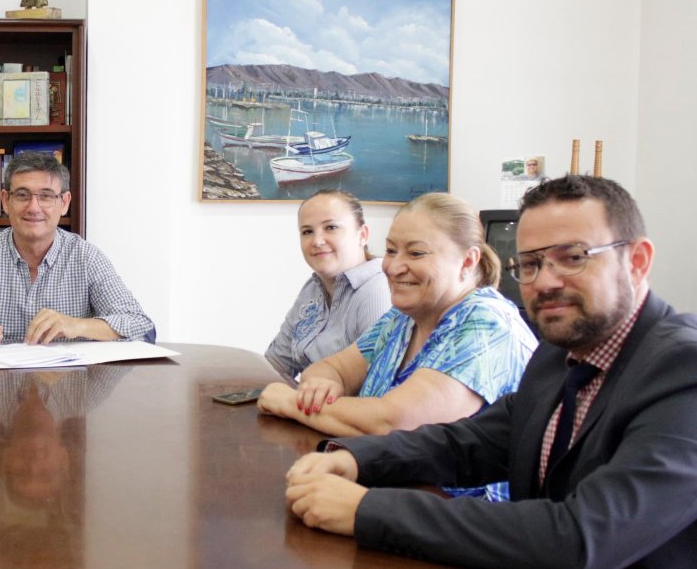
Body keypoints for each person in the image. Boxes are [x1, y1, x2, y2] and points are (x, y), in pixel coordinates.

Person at [284, 175, 697, 567]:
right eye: (532, 264)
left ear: (638, 261)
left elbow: (582, 537)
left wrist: (364, 509)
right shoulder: (558, 354)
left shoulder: (683, 372)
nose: (546, 281)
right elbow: (472, 442)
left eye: (573, 258)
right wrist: (355, 459)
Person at [260, 192, 537, 501]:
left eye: (416, 253)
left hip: (455, 524)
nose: (393, 267)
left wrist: (290, 401)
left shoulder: (486, 325)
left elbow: (392, 424)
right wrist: (323, 384)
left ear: (468, 261)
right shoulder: (401, 318)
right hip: (387, 496)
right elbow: (331, 368)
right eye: (391, 250)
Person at [0, 151, 155, 351]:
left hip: (66, 399)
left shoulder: (86, 258)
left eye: (46, 196)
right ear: (5, 200)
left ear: (64, 203)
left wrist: (76, 325)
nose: (34, 207)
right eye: (23, 195)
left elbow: (141, 326)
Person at [263, 189, 391, 381]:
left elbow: (374, 387)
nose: (317, 241)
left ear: (362, 235)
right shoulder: (313, 287)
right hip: (305, 405)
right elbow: (278, 363)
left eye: (331, 227)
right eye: (307, 232)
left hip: (345, 409)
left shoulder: (379, 291)